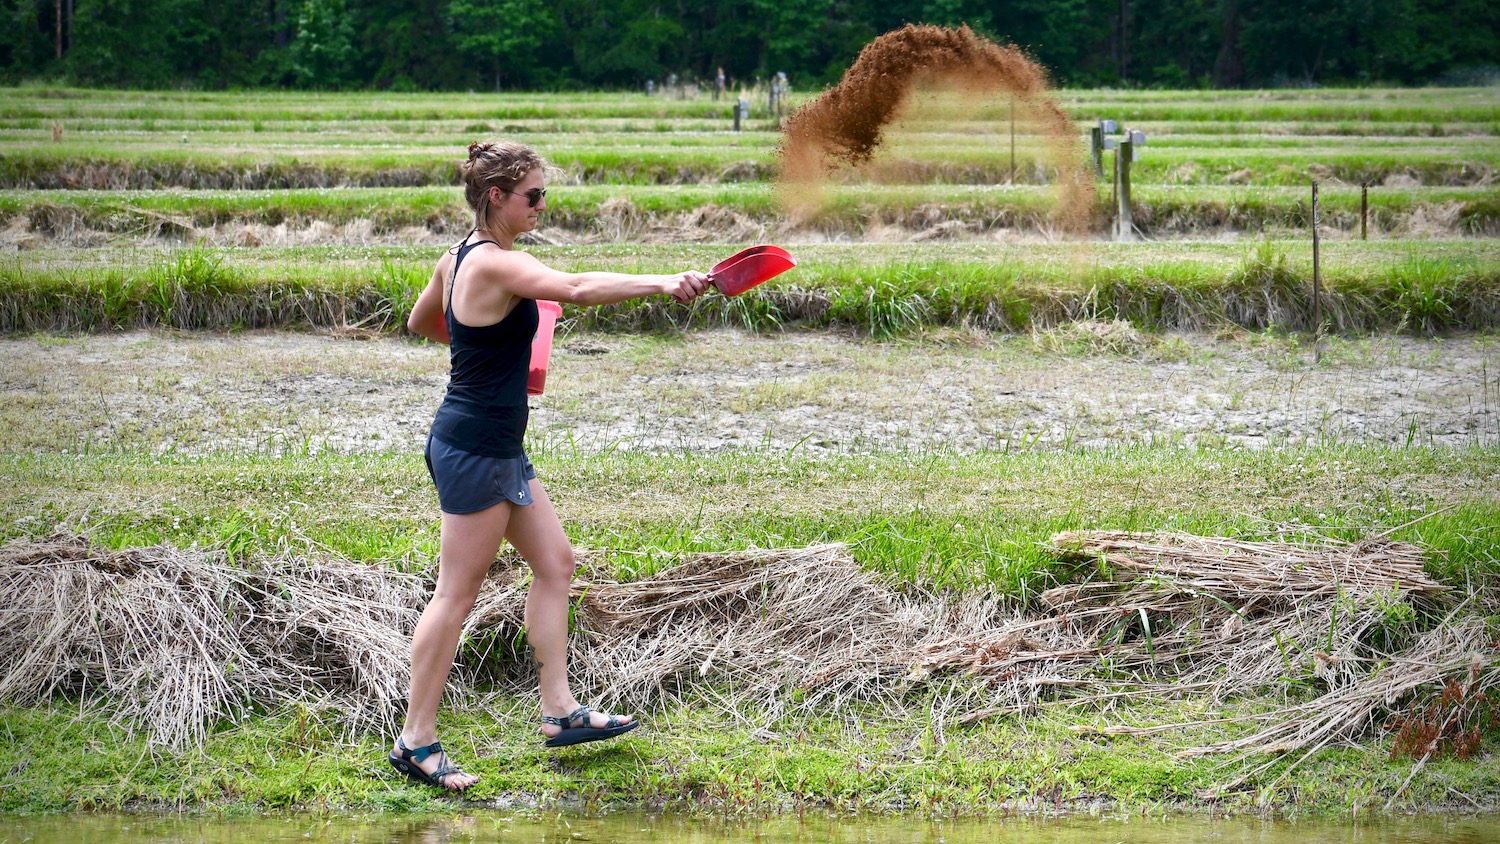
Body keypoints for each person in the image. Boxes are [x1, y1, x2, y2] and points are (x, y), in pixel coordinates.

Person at [388, 140, 711, 791]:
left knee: (556, 564)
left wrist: (490, 348)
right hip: (474, 447)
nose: (542, 204)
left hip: (496, 442)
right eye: (533, 195)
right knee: (456, 594)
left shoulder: (455, 260)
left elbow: (424, 321)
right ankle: (415, 741)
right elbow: (576, 287)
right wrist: (664, 281)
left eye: (543, 194)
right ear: (497, 197)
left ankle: (560, 712)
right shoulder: (495, 264)